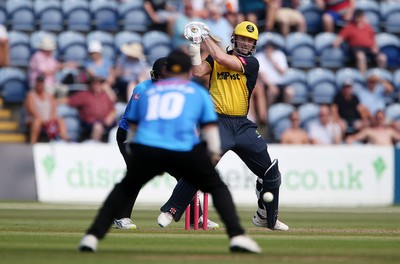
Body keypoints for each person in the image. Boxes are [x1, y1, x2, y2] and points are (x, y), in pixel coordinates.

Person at [78, 50, 261, 254]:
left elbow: (136, 126)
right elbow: (209, 129)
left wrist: (139, 154)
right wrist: (212, 152)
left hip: (149, 145)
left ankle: (92, 236)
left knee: (126, 185)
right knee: (216, 187)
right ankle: (237, 236)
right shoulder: (195, 92)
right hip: (179, 147)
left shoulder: (150, 92)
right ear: (185, 72)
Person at [157, 21, 289, 231]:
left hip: (242, 125)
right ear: (234, 39)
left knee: (270, 172)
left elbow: (221, 57)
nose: (246, 43)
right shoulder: (216, 57)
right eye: (243, 39)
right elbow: (199, 71)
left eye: (250, 40)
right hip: (219, 123)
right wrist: (194, 44)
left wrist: (204, 36)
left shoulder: (251, 63)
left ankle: (266, 217)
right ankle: (170, 210)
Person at [112, 57, 219, 230]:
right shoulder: (143, 89)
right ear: (154, 75)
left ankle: (196, 218)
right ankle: (120, 217)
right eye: (162, 77)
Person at [333, 9, 387, 74]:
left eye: (360, 17)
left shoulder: (368, 27)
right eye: (357, 17)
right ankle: (363, 76)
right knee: (361, 57)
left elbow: (373, 39)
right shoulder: (349, 27)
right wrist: (337, 42)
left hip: (369, 48)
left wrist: (374, 46)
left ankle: (381, 74)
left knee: (382, 57)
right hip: (356, 48)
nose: (358, 19)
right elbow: (340, 37)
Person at [65, 76, 116, 143]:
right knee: (97, 126)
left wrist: (110, 117)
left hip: (106, 122)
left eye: (99, 84)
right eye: (95, 84)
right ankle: (95, 146)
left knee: (120, 127)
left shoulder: (106, 96)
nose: (97, 86)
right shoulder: (84, 95)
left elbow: (113, 110)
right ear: (91, 85)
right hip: (89, 123)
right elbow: (69, 101)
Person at [24, 76, 68, 144]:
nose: (40, 86)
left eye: (41, 84)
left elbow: (54, 108)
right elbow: (31, 110)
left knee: (60, 120)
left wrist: (51, 118)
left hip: (48, 119)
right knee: (37, 121)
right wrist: (41, 118)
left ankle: (64, 139)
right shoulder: (31, 95)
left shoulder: (49, 96)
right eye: (38, 84)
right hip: (34, 119)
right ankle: (32, 142)